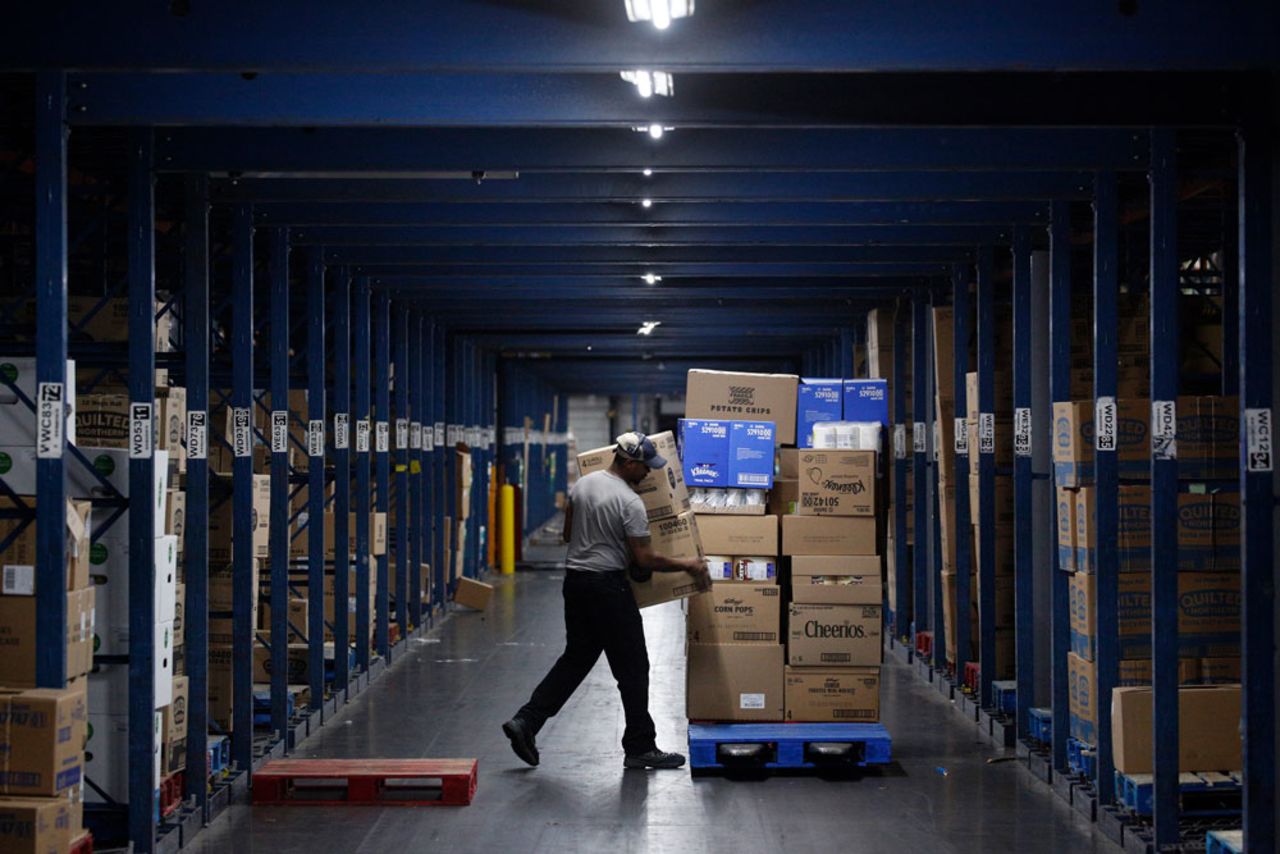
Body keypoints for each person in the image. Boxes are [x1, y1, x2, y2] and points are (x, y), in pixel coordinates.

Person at [502, 431, 708, 770]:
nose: (648, 473)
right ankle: (640, 746)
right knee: (633, 667)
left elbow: (569, 535)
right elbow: (643, 559)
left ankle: (526, 721)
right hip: (608, 589)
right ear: (628, 463)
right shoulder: (630, 503)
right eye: (644, 467)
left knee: (576, 658)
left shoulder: (584, 485)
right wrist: (687, 564)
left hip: (575, 583)